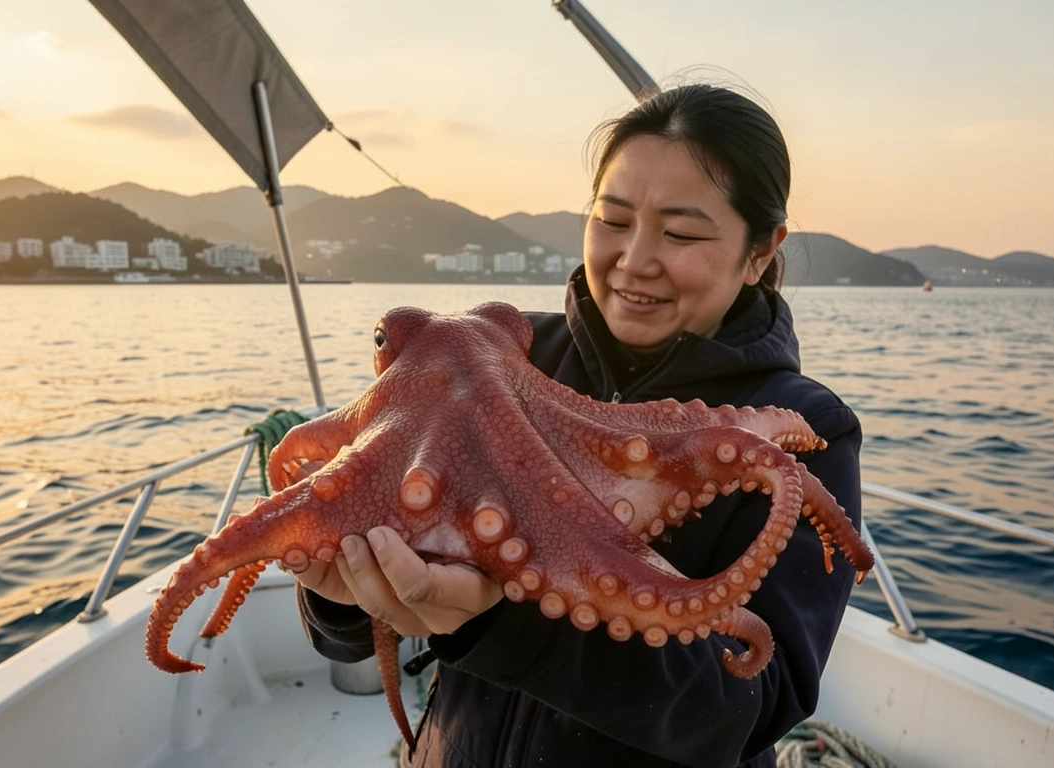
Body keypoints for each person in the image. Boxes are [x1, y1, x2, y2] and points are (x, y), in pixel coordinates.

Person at [290, 83, 863, 768]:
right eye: (612, 220)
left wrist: (499, 619)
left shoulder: (804, 432)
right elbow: (347, 635)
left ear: (761, 252)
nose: (635, 259)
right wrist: (344, 599)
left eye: (681, 233)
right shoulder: (503, 355)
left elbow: (754, 702)